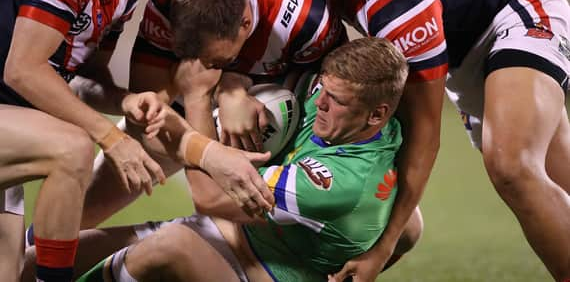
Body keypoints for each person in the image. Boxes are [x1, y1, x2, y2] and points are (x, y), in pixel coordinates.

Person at [241, 0, 570, 282]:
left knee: (511, 166)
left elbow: (426, 134)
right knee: (556, 179)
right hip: (460, 52)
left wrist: (385, 245)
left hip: (516, 11)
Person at [22, 37, 422, 282]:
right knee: (31, 264)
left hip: (260, 270)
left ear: (377, 114)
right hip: (230, 236)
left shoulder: (338, 184)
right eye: (323, 90)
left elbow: (211, 197)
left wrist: (197, 95)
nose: (320, 104)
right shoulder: (342, 103)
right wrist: (231, 87)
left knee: (172, 247)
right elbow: (411, 227)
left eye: (338, 103)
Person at [0, 0, 186, 282]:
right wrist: (111, 137)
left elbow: (79, 82)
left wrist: (122, 101)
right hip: (6, 113)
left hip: (10, 126)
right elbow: (22, 71)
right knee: (73, 147)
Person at [78, 0, 345, 229]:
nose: (203, 65)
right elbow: (150, 112)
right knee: (76, 217)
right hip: (185, 103)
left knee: (250, 227)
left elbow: (327, 96)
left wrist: (231, 86)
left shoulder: (306, 17)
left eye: (217, 61)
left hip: (274, 106)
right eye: (191, 57)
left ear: (246, 24)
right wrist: (205, 95)